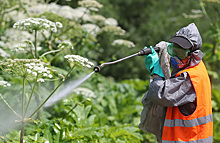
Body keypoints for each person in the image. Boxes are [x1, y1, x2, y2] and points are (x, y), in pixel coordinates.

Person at [139, 23, 213, 143]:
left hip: (189, 139)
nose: (176, 56)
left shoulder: (191, 77)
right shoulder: (197, 65)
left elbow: (160, 95)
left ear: (193, 53)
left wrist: (156, 72)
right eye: (173, 50)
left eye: (181, 52)